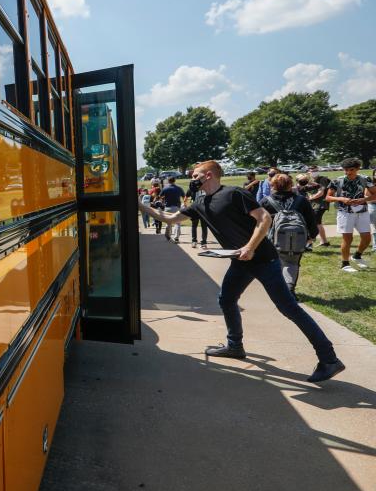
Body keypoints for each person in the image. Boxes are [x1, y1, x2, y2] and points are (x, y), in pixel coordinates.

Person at [139, 160, 344, 383]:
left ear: (208, 175)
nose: (192, 177)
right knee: (226, 300)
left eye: (195, 174)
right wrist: (137, 204)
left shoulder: (234, 193)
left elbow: (264, 218)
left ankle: (329, 359)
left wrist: (250, 247)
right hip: (240, 261)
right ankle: (235, 346)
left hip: (264, 259)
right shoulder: (199, 202)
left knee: (289, 308)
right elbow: (169, 217)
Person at [260, 173, 317, 295]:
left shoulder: (265, 201)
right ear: (290, 185)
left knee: (275, 264)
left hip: (272, 240)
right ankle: (290, 289)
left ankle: (278, 290)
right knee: (292, 263)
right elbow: (312, 219)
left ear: (273, 186)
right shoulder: (301, 200)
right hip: (298, 238)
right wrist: (312, 236)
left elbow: (257, 221)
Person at [325, 157, 374, 272]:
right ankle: (345, 263)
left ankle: (357, 255)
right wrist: (341, 198)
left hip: (362, 212)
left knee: (367, 238)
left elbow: (375, 194)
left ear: (357, 169)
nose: (348, 172)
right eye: (345, 170)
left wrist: (363, 199)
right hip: (345, 213)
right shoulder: (337, 181)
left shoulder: (365, 179)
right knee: (348, 239)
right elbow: (327, 197)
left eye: (351, 169)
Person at [297, 173, 330, 248]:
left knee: (315, 223)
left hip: (319, 205)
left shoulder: (322, 179)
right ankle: (323, 241)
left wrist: (311, 198)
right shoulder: (304, 187)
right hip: (314, 205)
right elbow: (318, 186)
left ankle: (311, 242)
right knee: (317, 223)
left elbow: (321, 190)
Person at [159, 176, 185, 243]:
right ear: (174, 180)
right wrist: (184, 204)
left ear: (168, 181)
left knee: (168, 222)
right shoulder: (179, 188)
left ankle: (168, 236)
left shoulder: (165, 188)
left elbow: (160, 196)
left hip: (168, 207)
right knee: (178, 223)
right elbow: (184, 196)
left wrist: (164, 198)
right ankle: (176, 237)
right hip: (177, 207)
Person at [188, 183, 209, 249]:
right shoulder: (206, 189)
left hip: (196, 209)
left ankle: (194, 241)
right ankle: (204, 243)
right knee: (204, 226)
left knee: (194, 226)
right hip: (203, 209)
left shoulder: (191, 189)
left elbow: (186, 197)